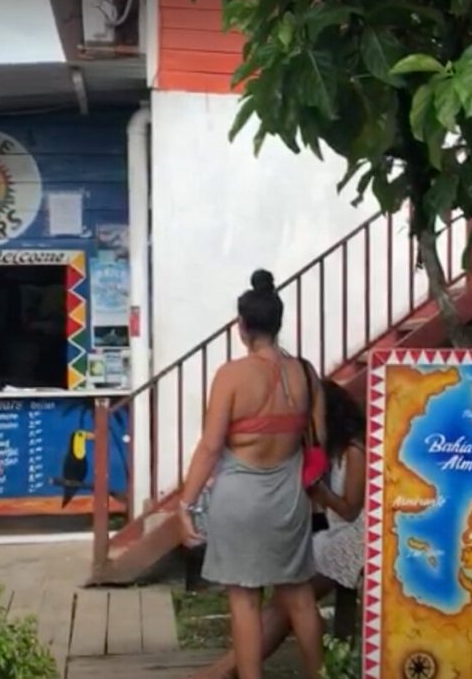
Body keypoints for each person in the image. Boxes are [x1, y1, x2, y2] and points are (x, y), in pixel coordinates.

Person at [178, 269, 324, 679]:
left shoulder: (231, 375)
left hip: (240, 496)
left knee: (244, 598)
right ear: (278, 324)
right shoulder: (305, 374)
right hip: (290, 497)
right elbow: (319, 437)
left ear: (241, 328)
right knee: (298, 595)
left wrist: (185, 505)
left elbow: (210, 446)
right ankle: (320, 674)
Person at [196, 379, 366, 679]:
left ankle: (223, 671)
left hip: (357, 537)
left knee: (287, 596)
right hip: (333, 533)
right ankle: (227, 670)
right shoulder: (329, 449)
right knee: (287, 595)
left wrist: (320, 494)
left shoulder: (354, 450)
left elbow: (351, 509)